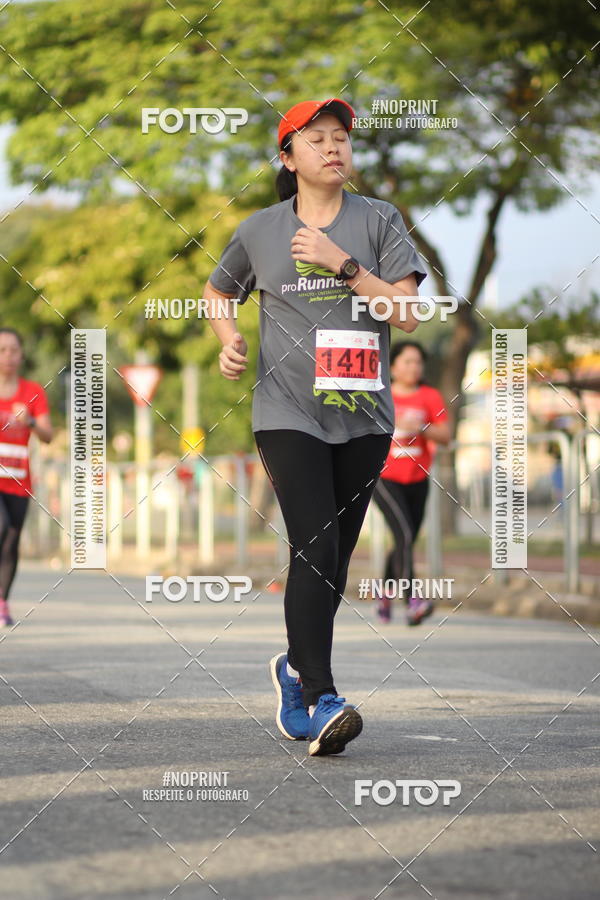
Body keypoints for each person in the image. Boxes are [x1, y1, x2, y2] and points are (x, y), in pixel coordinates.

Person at [204, 98, 428, 755]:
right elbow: (218, 292)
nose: (333, 148)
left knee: (333, 560)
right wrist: (228, 339)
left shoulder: (379, 220)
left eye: (341, 139)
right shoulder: (259, 230)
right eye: (317, 139)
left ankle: (294, 669)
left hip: (364, 417)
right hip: (287, 413)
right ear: (288, 157)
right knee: (315, 547)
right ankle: (321, 696)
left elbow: (408, 313)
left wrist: (344, 265)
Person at [372, 340, 450, 625]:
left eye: (418, 362)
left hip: (418, 478)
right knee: (404, 535)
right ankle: (413, 601)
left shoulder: (430, 396)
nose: (414, 367)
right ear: (392, 366)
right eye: (407, 361)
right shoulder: (380, 394)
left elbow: (446, 436)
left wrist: (422, 427)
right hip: (384, 478)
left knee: (404, 540)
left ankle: (384, 593)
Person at [0, 328, 53, 627]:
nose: (8, 356)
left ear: (21, 355)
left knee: (11, 541)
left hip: (19, 479)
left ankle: (2, 602)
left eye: (13, 350)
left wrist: (29, 420)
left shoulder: (32, 391)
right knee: (1, 525)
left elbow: (48, 435)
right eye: (2, 350)